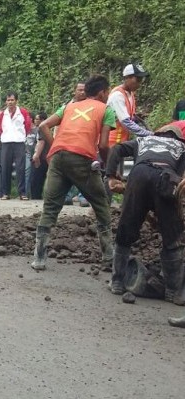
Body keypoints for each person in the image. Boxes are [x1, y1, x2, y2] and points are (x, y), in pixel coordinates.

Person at [30, 75, 116, 271]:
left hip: (59, 158)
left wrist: (55, 149)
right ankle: (109, 257)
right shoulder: (106, 110)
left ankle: (39, 258)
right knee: (101, 205)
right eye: (108, 92)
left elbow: (43, 126)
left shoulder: (69, 106)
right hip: (82, 159)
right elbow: (103, 145)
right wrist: (108, 167)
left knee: (50, 208)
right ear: (102, 92)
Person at [106, 124, 185, 302]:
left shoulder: (142, 140)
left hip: (139, 175)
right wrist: (169, 218)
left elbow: (117, 148)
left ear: (157, 133)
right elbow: (179, 185)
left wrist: (111, 176)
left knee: (126, 229)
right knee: (173, 237)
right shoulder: (182, 147)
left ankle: (117, 281)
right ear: (177, 138)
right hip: (166, 177)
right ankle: (173, 290)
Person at [0, 92, 32, 200]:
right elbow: (0, 128)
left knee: (20, 168)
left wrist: (21, 136)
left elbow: (27, 126)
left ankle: (22, 193)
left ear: (16, 101)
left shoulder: (22, 112)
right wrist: (5, 136)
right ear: (6, 101)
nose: (10, 102)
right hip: (6, 142)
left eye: (12, 100)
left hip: (19, 142)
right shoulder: (3, 114)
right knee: (5, 167)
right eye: (8, 100)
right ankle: (5, 193)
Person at [28, 112, 50, 199]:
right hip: (44, 157)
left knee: (35, 179)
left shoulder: (41, 129)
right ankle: (37, 196)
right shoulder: (46, 129)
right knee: (39, 179)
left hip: (41, 157)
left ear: (43, 120)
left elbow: (41, 142)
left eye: (37, 119)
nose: (35, 120)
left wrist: (36, 156)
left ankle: (36, 197)